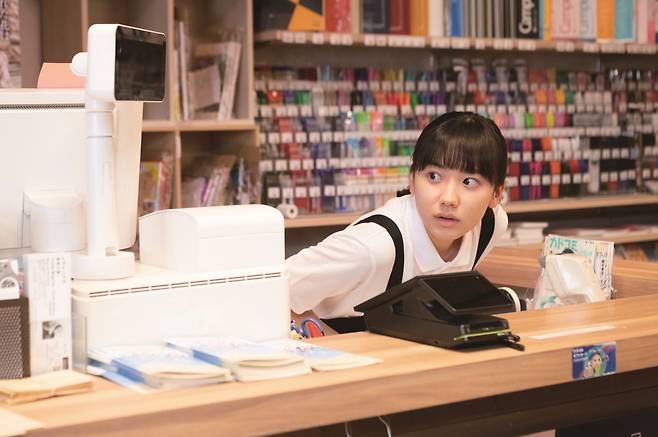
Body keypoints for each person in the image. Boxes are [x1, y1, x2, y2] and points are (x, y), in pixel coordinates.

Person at [287, 112, 509, 333]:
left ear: (497, 194)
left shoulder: (490, 226)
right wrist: (331, 343)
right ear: (412, 179)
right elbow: (270, 290)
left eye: (468, 181)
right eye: (434, 176)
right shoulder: (374, 248)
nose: (449, 199)